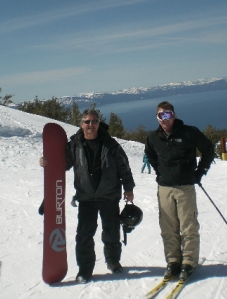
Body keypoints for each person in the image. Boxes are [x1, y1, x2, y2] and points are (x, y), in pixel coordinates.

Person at [39, 108, 135, 283]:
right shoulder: (74, 144)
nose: (91, 125)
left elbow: (124, 168)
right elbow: (63, 165)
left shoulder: (111, 144)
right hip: (86, 198)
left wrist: (129, 189)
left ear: (99, 123)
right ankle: (85, 269)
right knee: (84, 235)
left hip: (109, 196)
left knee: (112, 233)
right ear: (81, 124)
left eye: (94, 121)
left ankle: (113, 261)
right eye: (87, 121)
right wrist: (48, 162)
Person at [144, 101, 215, 281]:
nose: (165, 119)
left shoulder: (189, 132)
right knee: (168, 227)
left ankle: (189, 262)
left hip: (184, 187)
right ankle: (173, 261)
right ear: (157, 118)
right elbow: (150, 154)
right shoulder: (153, 137)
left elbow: (208, 149)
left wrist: (199, 173)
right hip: (164, 188)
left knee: (188, 225)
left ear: (174, 115)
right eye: (161, 115)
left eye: (167, 115)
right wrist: (159, 171)